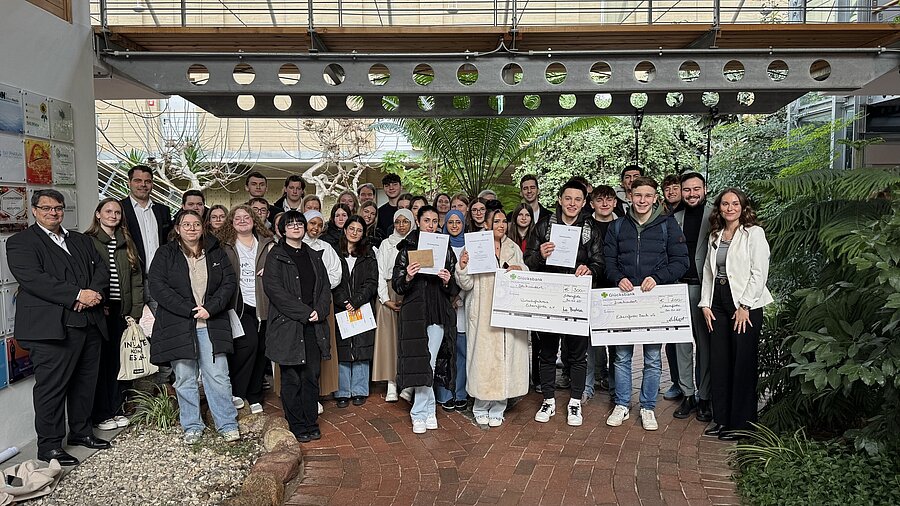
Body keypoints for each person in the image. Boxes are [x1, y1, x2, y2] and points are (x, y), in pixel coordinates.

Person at [8, 189, 110, 466]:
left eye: (58, 208)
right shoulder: (20, 243)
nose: (53, 213)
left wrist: (92, 294)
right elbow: (34, 279)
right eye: (46, 208)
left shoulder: (80, 240)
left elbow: (101, 270)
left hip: (89, 323)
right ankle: (50, 446)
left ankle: (81, 432)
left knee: (85, 383)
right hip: (50, 330)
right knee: (51, 388)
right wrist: (77, 295)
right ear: (34, 210)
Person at [604, 176, 689, 431]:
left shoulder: (668, 225)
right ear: (630, 196)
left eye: (648, 196)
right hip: (625, 299)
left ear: (655, 198)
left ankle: (648, 407)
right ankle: (622, 404)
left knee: (652, 358)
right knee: (621, 356)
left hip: (654, 300)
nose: (642, 200)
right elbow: (609, 261)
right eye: (638, 195)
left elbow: (681, 262)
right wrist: (618, 278)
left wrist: (658, 278)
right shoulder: (617, 226)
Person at [148, 210, 240, 444]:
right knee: (185, 377)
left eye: (196, 224)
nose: (191, 228)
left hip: (212, 323)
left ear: (203, 227)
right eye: (186, 224)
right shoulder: (165, 254)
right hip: (179, 325)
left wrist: (211, 308)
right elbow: (158, 287)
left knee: (218, 376)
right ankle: (192, 426)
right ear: (177, 228)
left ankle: (227, 424)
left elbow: (229, 283)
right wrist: (188, 309)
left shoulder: (216, 251)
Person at [525, 181, 605, 427]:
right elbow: (528, 261)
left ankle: (575, 402)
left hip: (577, 298)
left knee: (578, 355)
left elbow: (600, 263)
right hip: (550, 297)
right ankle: (548, 399)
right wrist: (541, 255)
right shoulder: (544, 226)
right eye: (567, 198)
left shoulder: (590, 228)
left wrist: (589, 269)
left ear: (584, 202)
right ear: (559, 199)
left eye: (577, 199)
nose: (572, 203)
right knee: (547, 352)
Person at [699, 188, 773, 441]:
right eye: (725, 204)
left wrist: (745, 306)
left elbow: (759, 272)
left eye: (735, 204)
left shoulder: (754, 233)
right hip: (717, 302)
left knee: (742, 363)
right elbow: (708, 271)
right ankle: (722, 419)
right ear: (719, 208)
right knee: (719, 362)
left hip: (744, 304)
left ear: (743, 207)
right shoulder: (716, 234)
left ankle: (741, 425)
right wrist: (705, 304)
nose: (730, 208)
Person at [264, 211, 333, 443]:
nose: (295, 227)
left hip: (313, 325)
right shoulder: (275, 256)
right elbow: (275, 291)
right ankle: (297, 424)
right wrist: (305, 313)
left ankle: (311, 422)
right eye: (290, 224)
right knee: (292, 378)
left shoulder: (313, 255)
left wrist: (320, 311)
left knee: (311, 376)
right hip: (288, 325)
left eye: (299, 224)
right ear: (282, 230)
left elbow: (324, 288)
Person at [456, 209, 529, 428]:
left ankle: (499, 407)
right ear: (486, 224)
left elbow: (525, 273)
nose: (501, 225)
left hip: (508, 314)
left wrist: (519, 269)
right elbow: (466, 284)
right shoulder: (475, 246)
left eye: (504, 221)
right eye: (496, 221)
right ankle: (480, 406)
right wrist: (462, 267)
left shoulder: (513, 248)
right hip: (483, 314)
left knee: (506, 359)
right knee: (483, 360)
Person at [393, 205, 460, 434]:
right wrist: (408, 276)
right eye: (426, 221)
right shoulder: (407, 248)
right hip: (414, 313)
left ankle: (421, 411)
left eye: (434, 221)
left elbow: (454, 288)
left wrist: (447, 280)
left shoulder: (445, 247)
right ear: (418, 222)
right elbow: (397, 285)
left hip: (438, 310)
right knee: (421, 363)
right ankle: (425, 411)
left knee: (429, 362)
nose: (430, 225)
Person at [85, 199, 144, 432]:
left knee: (120, 362)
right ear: (98, 214)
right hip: (101, 310)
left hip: (122, 310)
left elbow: (137, 279)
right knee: (101, 363)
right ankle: (101, 413)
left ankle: (117, 408)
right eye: (108, 211)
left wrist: (135, 311)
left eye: (117, 212)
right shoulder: (88, 241)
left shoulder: (126, 241)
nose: (113, 215)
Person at [218, 205, 275, 415]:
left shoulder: (268, 244)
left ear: (254, 220)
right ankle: (237, 391)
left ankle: (255, 395)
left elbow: (280, 266)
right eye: (237, 218)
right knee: (247, 345)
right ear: (231, 223)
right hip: (239, 305)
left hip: (264, 303)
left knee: (262, 349)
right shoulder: (225, 245)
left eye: (246, 217)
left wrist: (271, 268)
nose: (242, 220)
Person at [671, 172, 714, 422]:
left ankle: (705, 396)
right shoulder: (674, 218)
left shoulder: (715, 215)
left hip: (705, 289)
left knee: (705, 346)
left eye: (696, 189)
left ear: (704, 189)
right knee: (682, 345)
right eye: (687, 190)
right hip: (679, 288)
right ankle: (687, 395)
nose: (692, 194)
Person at [333, 216, 379, 407]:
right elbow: (332, 279)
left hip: (362, 306)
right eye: (351, 228)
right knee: (343, 347)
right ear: (345, 230)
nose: (354, 233)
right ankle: (342, 391)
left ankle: (360, 389)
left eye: (359, 230)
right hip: (341, 306)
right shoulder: (334, 252)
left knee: (362, 346)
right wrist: (344, 301)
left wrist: (357, 300)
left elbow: (372, 281)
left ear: (363, 234)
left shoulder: (368, 254)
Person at [373, 209, 415, 402]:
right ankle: (391, 382)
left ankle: (408, 385)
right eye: (397, 221)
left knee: (409, 338)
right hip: (388, 291)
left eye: (405, 221)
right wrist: (385, 299)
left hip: (411, 290)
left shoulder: (417, 242)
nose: (401, 225)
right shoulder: (386, 243)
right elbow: (380, 272)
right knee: (389, 339)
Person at [302, 210, 344, 405]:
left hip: (323, 301)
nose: (316, 228)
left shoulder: (326, 247)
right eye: (312, 223)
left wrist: (320, 288)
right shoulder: (295, 245)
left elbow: (336, 273)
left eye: (319, 225)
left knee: (322, 345)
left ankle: (319, 391)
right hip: (300, 304)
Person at [583, 185, 619, 403]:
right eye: (599, 200)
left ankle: (615, 386)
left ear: (615, 202)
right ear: (591, 203)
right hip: (591, 287)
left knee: (616, 342)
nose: (604, 204)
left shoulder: (622, 225)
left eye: (608, 199)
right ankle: (587, 386)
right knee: (588, 341)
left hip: (616, 289)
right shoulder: (584, 226)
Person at [435, 210, 468, 412]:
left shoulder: (470, 245)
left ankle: (460, 393)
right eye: (451, 222)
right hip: (442, 304)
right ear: (445, 224)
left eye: (458, 222)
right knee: (444, 351)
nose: (455, 225)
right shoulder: (439, 244)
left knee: (462, 352)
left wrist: (459, 297)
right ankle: (444, 393)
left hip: (463, 306)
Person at [120, 164, 172, 283]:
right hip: (131, 279)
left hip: (162, 279)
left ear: (152, 184)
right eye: (138, 180)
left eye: (147, 181)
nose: (143, 185)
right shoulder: (120, 209)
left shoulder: (163, 211)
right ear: (129, 182)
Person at [376, 173, 403, 238]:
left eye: (395, 184)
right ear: (383, 188)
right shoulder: (380, 212)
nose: (391, 188)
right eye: (387, 185)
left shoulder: (410, 208)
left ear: (401, 187)